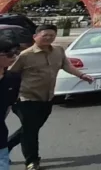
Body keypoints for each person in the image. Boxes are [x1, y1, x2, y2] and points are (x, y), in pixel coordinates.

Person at [8, 25, 94, 170]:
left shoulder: (58, 51)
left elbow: (66, 65)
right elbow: (10, 73)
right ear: (35, 37)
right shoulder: (25, 55)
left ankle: (5, 146)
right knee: (30, 131)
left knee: (31, 128)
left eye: (52, 35)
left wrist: (81, 75)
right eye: (45, 35)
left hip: (47, 97)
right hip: (25, 98)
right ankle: (32, 162)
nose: (48, 38)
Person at [0, 38, 22, 170]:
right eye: (9, 54)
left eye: (15, 53)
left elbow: (8, 106)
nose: (13, 57)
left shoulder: (13, 79)